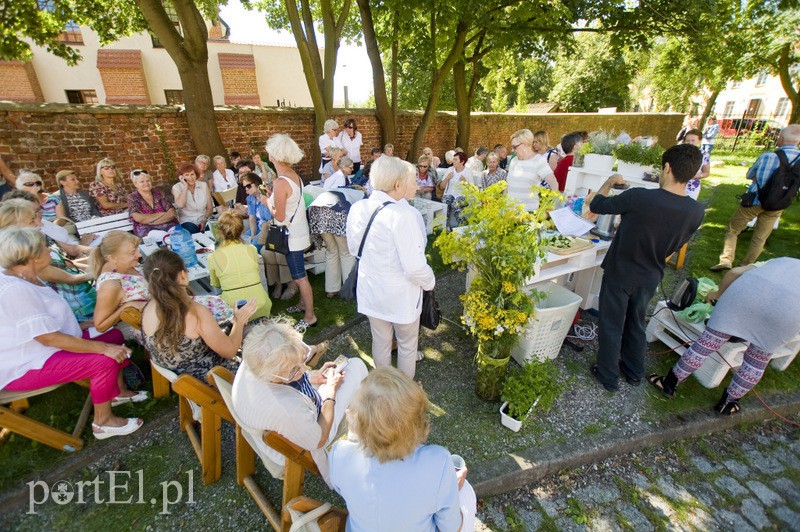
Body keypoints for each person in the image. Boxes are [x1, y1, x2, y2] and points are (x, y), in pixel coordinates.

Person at [0, 227, 145, 439]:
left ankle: (117, 392)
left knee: (113, 336)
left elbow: (45, 321)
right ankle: (103, 422)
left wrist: (81, 326)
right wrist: (103, 348)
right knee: (103, 360)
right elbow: (47, 337)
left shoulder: (29, 277)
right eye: (44, 247)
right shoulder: (15, 289)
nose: (50, 250)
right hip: (28, 364)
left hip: (48, 347)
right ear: (32, 257)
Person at [589, 144, 705, 392]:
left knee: (611, 323)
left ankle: (608, 375)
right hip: (651, 273)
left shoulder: (640, 197)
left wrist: (609, 181)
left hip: (621, 271)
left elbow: (596, 204)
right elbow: (678, 243)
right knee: (636, 321)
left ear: (667, 167)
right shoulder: (696, 211)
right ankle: (633, 372)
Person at [329, 367, 476, 532]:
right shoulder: (438, 462)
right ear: (418, 423)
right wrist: (450, 489)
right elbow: (451, 527)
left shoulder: (339, 455)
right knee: (466, 493)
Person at [649, 258, 800, 415]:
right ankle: (727, 404)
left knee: (705, 345)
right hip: (787, 314)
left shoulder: (783, 260)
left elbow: (735, 272)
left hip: (742, 298)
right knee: (757, 360)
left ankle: (669, 384)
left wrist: (717, 294)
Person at [231, 320, 369, 484]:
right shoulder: (287, 409)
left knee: (345, 373)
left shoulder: (255, 357)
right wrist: (330, 392)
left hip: (290, 421)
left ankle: (359, 428)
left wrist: (311, 377)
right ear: (273, 374)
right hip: (304, 441)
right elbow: (318, 440)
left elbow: (290, 378)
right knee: (357, 366)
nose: (304, 369)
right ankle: (359, 436)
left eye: (301, 362)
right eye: (295, 370)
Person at [346, 156, 435, 378]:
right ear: (397, 184)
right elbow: (414, 267)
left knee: (381, 341)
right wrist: (430, 282)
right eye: (411, 179)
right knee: (406, 344)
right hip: (400, 294)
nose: (414, 184)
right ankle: (402, 396)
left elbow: (354, 249)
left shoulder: (358, 208)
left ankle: (384, 389)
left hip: (371, 289)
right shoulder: (403, 215)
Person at [141, 248, 257, 380]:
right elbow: (229, 352)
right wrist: (239, 320)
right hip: (214, 379)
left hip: (182, 378)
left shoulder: (147, 308)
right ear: (183, 276)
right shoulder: (195, 313)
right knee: (262, 334)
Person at [91, 230, 232, 332]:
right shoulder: (110, 285)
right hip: (168, 322)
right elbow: (100, 324)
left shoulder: (124, 266)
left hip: (173, 307)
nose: (139, 255)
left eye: (136, 250)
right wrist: (126, 307)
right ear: (112, 258)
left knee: (220, 303)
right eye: (132, 253)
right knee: (224, 311)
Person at [710, 124, 800, 271]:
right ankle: (745, 267)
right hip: (778, 204)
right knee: (760, 238)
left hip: (755, 201)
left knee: (733, 229)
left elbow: (750, 175)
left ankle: (726, 260)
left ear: (782, 139)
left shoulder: (769, 156)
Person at [0, 199, 96, 324]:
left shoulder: (37, 237)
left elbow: (68, 261)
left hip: (77, 292)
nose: (39, 223)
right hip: (73, 305)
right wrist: (98, 272)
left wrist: (98, 257)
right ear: (13, 226)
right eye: (31, 221)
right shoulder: (23, 253)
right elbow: (70, 279)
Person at [265, 133, 317, 332]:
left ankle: (310, 316)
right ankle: (304, 305)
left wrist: (267, 203)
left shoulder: (280, 182)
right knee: (300, 275)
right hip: (299, 233)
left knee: (300, 277)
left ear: (274, 155)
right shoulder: (294, 176)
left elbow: (279, 217)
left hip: (291, 237)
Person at [207, 211, 272, 321]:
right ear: (242, 230)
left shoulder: (213, 256)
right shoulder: (251, 249)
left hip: (234, 308)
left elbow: (215, 284)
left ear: (219, 232)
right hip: (260, 303)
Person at [506, 129, 559, 212]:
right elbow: (509, 184)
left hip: (528, 213)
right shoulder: (514, 161)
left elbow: (554, 183)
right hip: (509, 212)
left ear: (525, 145)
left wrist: (550, 205)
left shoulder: (539, 161)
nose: (512, 150)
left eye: (515, 147)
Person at [127, 170, 177, 237]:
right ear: (135, 184)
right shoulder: (132, 197)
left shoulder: (159, 193)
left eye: (148, 181)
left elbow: (172, 213)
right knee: (162, 236)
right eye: (142, 182)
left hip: (168, 225)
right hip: (147, 229)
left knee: (178, 234)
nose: (146, 183)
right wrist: (161, 214)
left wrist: (153, 221)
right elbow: (139, 218)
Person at [171, 162, 213, 234]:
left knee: (211, 230)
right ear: (181, 177)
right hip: (187, 221)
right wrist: (185, 187)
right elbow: (180, 205)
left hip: (204, 218)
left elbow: (210, 207)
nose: (190, 177)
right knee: (193, 231)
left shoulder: (203, 185)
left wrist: (204, 219)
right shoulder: (176, 188)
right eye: (187, 175)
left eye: (192, 174)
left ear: (196, 175)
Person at [439, 151, 476, 228]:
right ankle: (445, 227)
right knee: (446, 202)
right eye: (453, 159)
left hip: (462, 196)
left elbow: (472, 190)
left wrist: (465, 182)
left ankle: (463, 226)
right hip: (449, 194)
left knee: (456, 204)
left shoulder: (468, 172)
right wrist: (447, 178)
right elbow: (441, 187)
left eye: (456, 159)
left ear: (462, 162)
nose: (453, 161)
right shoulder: (450, 170)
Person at [239, 172, 272, 245]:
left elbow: (269, 219)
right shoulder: (250, 198)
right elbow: (252, 218)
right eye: (244, 187)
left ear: (256, 183)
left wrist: (255, 237)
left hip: (268, 228)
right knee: (240, 240)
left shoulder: (266, 195)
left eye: (248, 186)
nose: (246, 189)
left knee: (254, 244)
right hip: (258, 226)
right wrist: (253, 234)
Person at [681, 128, 711, 201]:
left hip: (692, 187)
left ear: (699, 141)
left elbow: (706, 172)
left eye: (693, 140)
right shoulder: (679, 152)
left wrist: (697, 175)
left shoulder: (704, 155)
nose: (690, 143)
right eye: (687, 141)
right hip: (677, 184)